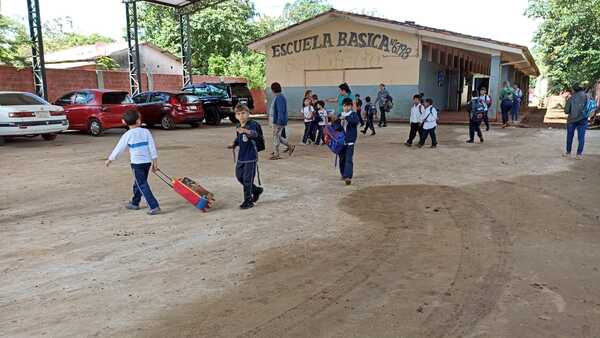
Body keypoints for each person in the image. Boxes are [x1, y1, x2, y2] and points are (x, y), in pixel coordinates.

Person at [105, 110, 161, 215]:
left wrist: (110, 159)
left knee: (142, 184)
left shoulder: (127, 135)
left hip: (137, 164)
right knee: (138, 183)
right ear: (139, 121)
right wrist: (155, 162)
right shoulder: (146, 132)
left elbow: (119, 148)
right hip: (147, 162)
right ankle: (135, 203)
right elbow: (152, 147)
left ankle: (154, 206)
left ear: (124, 122)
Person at [227, 104, 264, 209]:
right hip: (241, 156)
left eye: (243, 113)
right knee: (239, 177)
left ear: (248, 114)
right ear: (235, 116)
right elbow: (239, 138)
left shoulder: (252, 124)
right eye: (238, 114)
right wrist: (234, 144)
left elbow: (255, 134)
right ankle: (256, 190)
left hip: (251, 156)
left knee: (247, 180)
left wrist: (246, 131)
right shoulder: (238, 126)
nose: (241, 116)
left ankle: (248, 201)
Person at [332, 97, 360, 185]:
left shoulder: (353, 114)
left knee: (349, 158)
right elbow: (335, 127)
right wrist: (337, 120)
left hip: (350, 141)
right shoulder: (340, 114)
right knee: (342, 159)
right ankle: (343, 174)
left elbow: (355, 122)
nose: (346, 108)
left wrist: (346, 118)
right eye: (344, 106)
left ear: (351, 106)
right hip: (341, 142)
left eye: (348, 106)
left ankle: (348, 176)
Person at [563, 84, 589, 160]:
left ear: (574, 90)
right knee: (581, 137)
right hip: (583, 119)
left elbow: (566, 111)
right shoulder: (587, 96)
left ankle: (568, 153)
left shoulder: (571, 98)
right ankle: (579, 154)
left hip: (572, 120)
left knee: (570, 136)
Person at [270, 82, 294, 160]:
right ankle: (290, 146)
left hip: (278, 121)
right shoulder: (278, 97)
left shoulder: (280, 97)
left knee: (275, 136)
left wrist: (279, 121)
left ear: (273, 90)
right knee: (277, 136)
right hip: (277, 121)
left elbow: (281, 111)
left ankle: (277, 154)